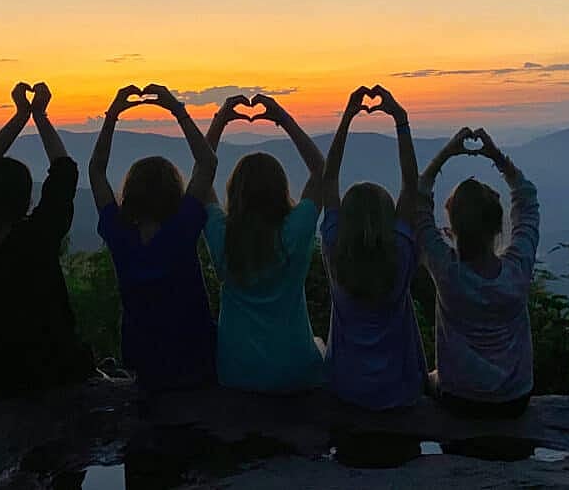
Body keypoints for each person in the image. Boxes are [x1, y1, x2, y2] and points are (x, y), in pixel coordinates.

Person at [0, 82, 94, 397]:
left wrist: (20, 115)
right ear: (27, 199)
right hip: (52, 367)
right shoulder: (38, 235)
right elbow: (64, 171)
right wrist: (39, 115)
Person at [89, 84, 218, 393]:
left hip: (143, 360)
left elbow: (96, 171)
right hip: (196, 356)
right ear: (174, 190)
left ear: (130, 194)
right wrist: (178, 109)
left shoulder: (119, 234)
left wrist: (112, 115)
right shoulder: (182, 228)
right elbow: (207, 163)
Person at [203, 93, 325, 393]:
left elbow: (201, 177)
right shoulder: (294, 231)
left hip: (236, 371)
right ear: (281, 189)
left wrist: (219, 122)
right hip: (294, 370)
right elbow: (322, 172)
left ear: (235, 191)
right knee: (321, 345)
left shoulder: (223, 234)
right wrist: (283, 118)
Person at [417, 126, 540, 418]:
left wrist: (445, 154)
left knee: (424, 376)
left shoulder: (447, 272)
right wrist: (497, 157)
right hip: (515, 399)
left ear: (452, 229)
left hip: (459, 397)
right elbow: (528, 201)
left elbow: (417, 206)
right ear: (498, 227)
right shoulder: (517, 270)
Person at [320, 85, 426, 410]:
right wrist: (401, 119)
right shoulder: (401, 252)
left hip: (346, 389)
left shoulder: (335, 249)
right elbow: (411, 185)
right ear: (388, 217)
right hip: (399, 392)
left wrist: (347, 117)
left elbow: (327, 180)